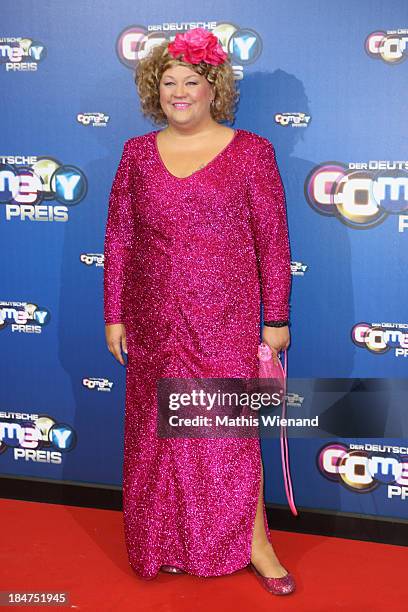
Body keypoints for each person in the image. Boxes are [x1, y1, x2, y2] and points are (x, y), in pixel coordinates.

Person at [103, 27, 295, 596]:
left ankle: (256, 542)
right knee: (155, 433)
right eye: (168, 83)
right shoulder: (136, 153)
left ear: (214, 89)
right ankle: (161, 541)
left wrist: (276, 317)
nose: (179, 93)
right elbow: (119, 238)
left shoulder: (252, 151)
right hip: (152, 315)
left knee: (226, 431)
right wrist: (115, 313)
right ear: (153, 90)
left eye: (191, 81)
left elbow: (273, 242)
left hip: (225, 318)